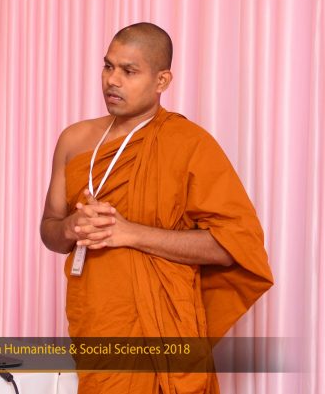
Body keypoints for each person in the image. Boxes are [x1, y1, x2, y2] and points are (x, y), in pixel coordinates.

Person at [40, 22, 273, 393]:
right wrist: (71, 227)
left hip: (166, 333)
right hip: (98, 325)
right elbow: (50, 230)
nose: (112, 80)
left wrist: (131, 234)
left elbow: (234, 245)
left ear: (162, 80)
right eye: (108, 66)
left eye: (129, 71)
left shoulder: (189, 144)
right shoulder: (75, 140)